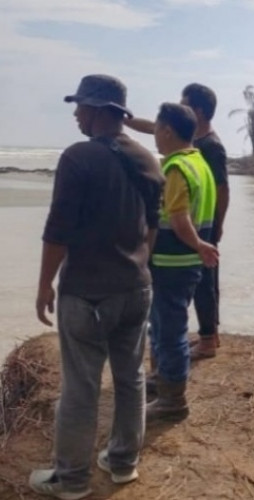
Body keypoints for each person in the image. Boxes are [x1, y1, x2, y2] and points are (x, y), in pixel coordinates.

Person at [30, 75, 164, 499]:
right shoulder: (148, 159)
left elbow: (58, 231)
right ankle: (123, 463)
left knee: (81, 387)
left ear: (98, 110)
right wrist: (138, 264)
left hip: (86, 292)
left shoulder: (78, 158)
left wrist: (44, 286)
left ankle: (70, 480)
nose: (75, 113)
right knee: (131, 378)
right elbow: (152, 227)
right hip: (136, 287)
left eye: (80, 106)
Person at [127, 83, 229, 360]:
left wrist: (214, 228)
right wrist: (129, 120)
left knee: (198, 291)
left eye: (183, 103)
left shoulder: (209, 148)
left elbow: (222, 190)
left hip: (194, 235)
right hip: (195, 234)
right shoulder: (193, 146)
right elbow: (156, 127)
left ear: (196, 111)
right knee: (183, 300)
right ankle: (202, 341)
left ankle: (208, 338)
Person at [147, 103, 218, 422]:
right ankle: (161, 382)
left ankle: (172, 400)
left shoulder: (175, 168)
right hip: (187, 262)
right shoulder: (199, 161)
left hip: (172, 260)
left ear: (168, 131)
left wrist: (198, 243)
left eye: (157, 130)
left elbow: (178, 219)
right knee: (163, 325)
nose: (155, 138)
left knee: (169, 330)